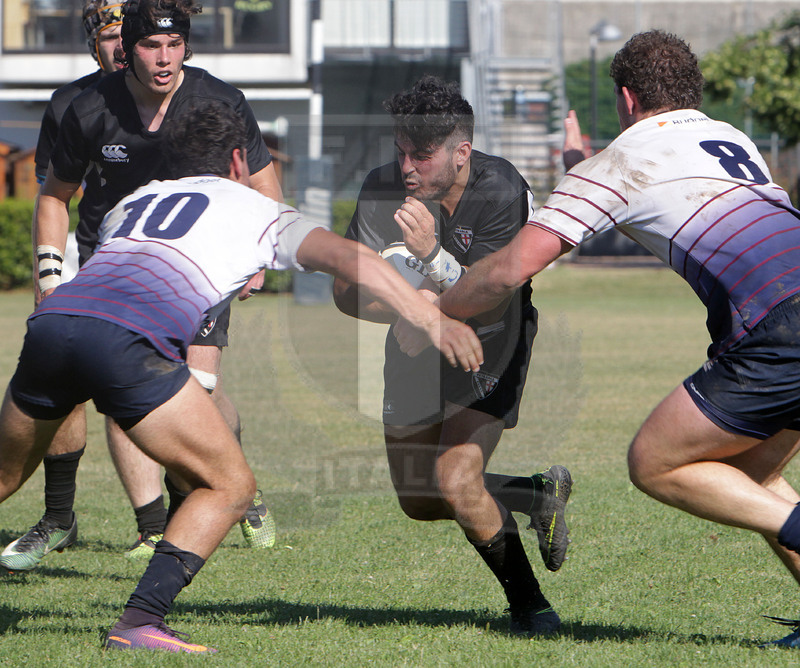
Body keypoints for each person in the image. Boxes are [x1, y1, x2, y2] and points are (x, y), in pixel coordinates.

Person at [0, 100, 482, 654]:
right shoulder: (259, 210)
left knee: (5, 476)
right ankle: (138, 623)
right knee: (229, 486)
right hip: (124, 342)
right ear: (237, 159)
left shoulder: (134, 201)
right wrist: (432, 318)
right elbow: (354, 259)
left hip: (53, 323)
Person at [401, 30, 800, 648]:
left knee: (656, 462)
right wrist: (578, 169)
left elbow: (509, 270)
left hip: (780, 327)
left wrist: (437, 310)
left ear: (626, 97)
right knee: (752, 476)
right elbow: (652, 192)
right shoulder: (730, 137)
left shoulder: (617, 165)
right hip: (786, 316)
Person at [1, 0, 281, 573]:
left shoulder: (218, 100)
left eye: (173, 45)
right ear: (125, 48)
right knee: (114, 385)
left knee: (196, 388)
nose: (163, 58)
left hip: (195, 262)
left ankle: (234, 488)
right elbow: (54, 197)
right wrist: (51, 279)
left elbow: (261, 181)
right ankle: (148, 525)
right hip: (110, 264)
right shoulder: (83, 108)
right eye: (149, 46)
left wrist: (258, 254)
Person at [333, 76, 572, 638]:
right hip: (414, 342)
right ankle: (535, 493)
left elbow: (494, 294)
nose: (407, 166)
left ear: (461, 152)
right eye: (400, 151)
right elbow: (345, 293)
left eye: (422, 153)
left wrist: (432, 266)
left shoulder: (501, 188)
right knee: (418, 497)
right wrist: (413, 313)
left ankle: (532, 609)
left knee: (456, 477)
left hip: (492, 341)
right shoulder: (382, 188)